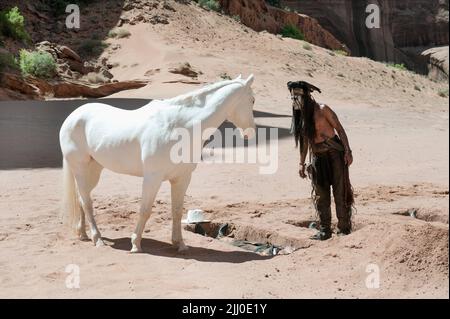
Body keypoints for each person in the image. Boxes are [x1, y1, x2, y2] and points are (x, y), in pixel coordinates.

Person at [288, 81, 354, 240]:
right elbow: (304, 142)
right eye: (292, 96)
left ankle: (344, 229)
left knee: (340, 191)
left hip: (334, 155)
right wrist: (301, 163)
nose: (295, 100)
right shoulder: (301, 116)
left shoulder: (323, 109)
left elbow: (339, 129)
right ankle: (325, 230)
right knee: (321, 195)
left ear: (306, 95)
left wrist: (348, 151)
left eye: (297, 96)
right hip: (317, 157)